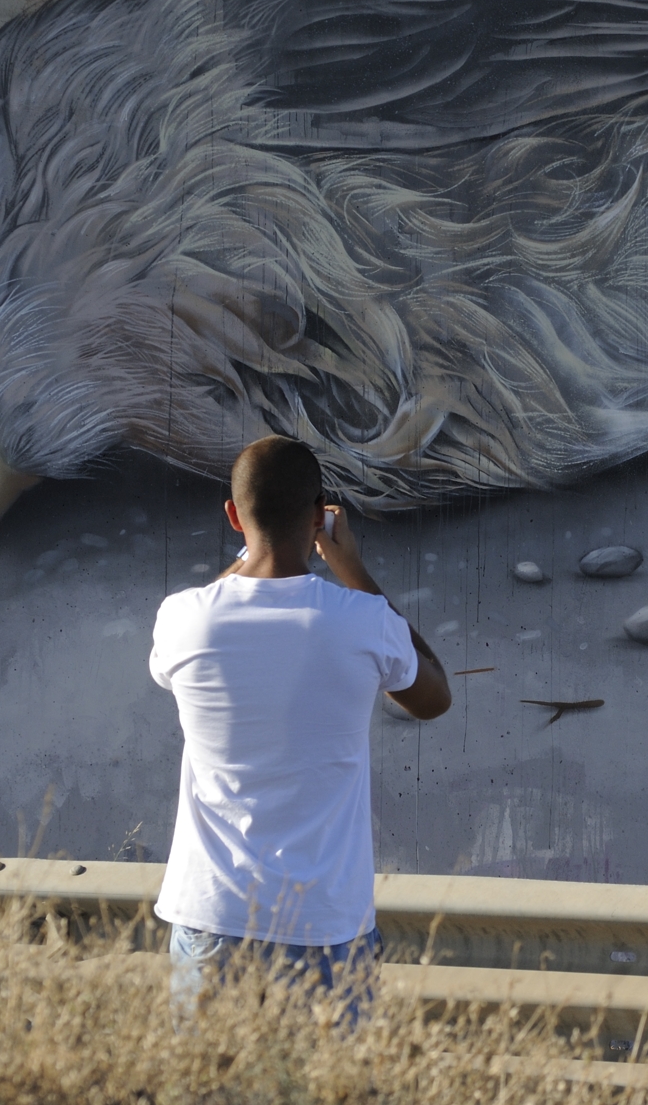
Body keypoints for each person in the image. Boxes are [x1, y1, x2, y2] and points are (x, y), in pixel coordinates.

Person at [149, 435, 451, 1020]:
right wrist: (352, 568)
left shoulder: (183, 617)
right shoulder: (362, 620)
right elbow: (433, 696)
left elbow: (217, 600)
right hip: (326, 922)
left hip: (212, 915)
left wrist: (247, 558)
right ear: (319, 516)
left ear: (233, 515)